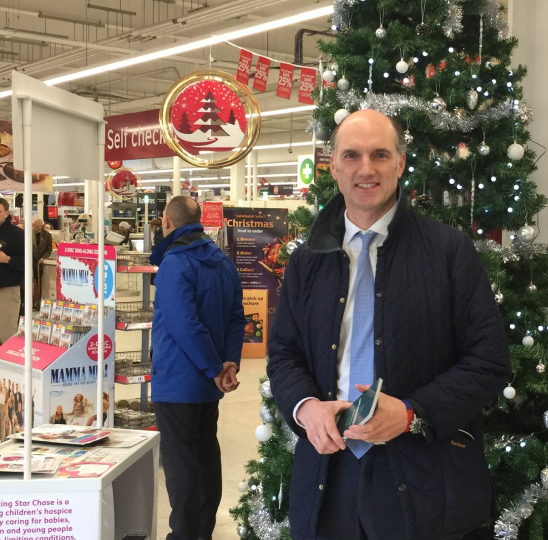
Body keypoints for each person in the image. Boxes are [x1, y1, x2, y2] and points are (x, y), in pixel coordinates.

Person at [267, 110, 511, 540]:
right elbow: (285, 353)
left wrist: (414, 413)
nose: (366, 168)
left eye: (380, 154)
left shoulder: (450, 252)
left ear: (400, 163)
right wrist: (306, 408)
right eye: (352, 155)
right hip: (329, 472)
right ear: (334, 168)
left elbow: (489, 362)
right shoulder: (307, 260)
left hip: (425, 477)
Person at [150, 195, 246, 540]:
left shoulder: (176, 263)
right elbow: (237, 317)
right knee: (205, 455)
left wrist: (214, 367)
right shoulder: (224, 263)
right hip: (208, 384)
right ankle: (201, 530)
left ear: (167, 222)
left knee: (180, 465)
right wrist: (227, 363)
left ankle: (184, 534)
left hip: (178, 380)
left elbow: (184, 325)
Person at [0, 198, 24, 343]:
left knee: (7, 336)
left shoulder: (17, 235)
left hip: (7, 293)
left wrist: (7, 259)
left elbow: (28, 262)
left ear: (6, 213)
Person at [31, 218, 51, 310]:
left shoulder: (47, 235)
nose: (38, 227)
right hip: (29, 261)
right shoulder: (27, 233)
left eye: (39, 225)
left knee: (39, 283)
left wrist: (44, 257)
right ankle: (29, 302)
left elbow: (49, 249)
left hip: (40, 263)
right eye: (36, 225)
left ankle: (38, 302)